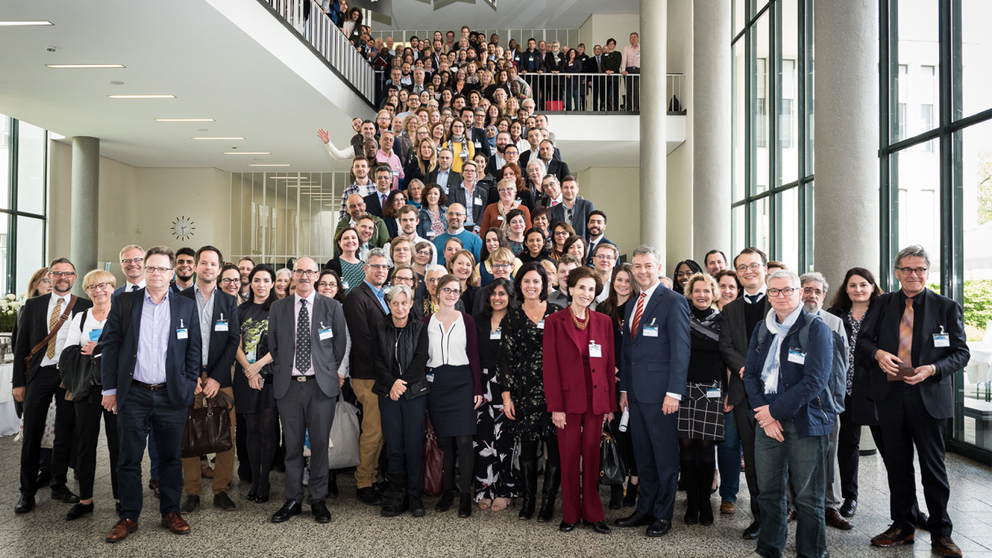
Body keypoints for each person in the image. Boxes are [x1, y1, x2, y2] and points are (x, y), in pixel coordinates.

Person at [858, 245, 970, 557]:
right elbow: (864, 342)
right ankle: (903, 526)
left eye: (920, 269)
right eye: (907, 269)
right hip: (891, 395)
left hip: (929, 395)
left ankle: (941, 532)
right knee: (897, 465)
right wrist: (879, 354)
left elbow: (961, 353)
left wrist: (933, 369)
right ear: (897, 272)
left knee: (933, 468)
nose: (913, 275)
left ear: (927, 272)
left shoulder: (946, 306)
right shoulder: (883, 303)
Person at [101, 246, 200, 542]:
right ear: (144, 271)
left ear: (172, 274)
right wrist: (110, 389)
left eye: (162, 269)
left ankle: (171, 511)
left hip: (171, 396)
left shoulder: (185, 305)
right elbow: (111, 347)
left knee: (170, 457)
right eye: (151, 268)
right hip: (134, 394)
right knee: (129, 458)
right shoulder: (125, 302)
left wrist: (188, 381)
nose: (156, 274)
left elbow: (194, 349)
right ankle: (129, 516)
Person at [742, 269, 835, 558]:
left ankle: (812, 552)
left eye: (787, 290)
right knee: (768, 493)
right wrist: (764, 414)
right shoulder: (762, 328)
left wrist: (772, 413)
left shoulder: (815, 328)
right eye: (774, 291)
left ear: (799, 293)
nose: (781, 296)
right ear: (767, 295)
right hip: (767, 423)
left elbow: (815, 380)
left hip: (805, 422)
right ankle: (769, 548)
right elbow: (750, 375)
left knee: (808, 497)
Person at [615, 245, 691, 538]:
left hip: (662, 397)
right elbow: (627, 351)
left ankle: (662, 514)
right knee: (643, 456)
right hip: (635, 394)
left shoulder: (673, 301)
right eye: (637, 266)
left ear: (658, 267)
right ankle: (644, 509)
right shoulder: (633, 304)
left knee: (664, 458)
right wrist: (624, 390)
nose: (642, 271)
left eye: (648, 265)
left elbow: (681, 351)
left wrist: (674, 392)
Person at [267, 257, 348, 525]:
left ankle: (318, 499)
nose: (304, 276)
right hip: (289, 387)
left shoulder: (332, 306)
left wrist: (325, 371)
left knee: (320, 446)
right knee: (291, 447)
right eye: (299, 271)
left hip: (320, 387)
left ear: (316, 276)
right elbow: (275, 348)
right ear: (293, 275)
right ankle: (292, 499)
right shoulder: (278, 308)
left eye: (309, 271)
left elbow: (339, 347)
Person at [13, 259, 92, 515]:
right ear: (50, 276)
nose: (62, 277)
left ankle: (59, 484)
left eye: (67, 273)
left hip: (68, 376)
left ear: (74, 276)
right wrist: (18, 383)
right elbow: (21, 347)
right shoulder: (33, 305)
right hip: (40, 374)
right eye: (57, 273)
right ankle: (27, 492)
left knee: (65, 432)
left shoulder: (84, 305)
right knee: (32, 434)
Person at [543, 266, 616, 534]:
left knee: (592, 458)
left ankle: (594, 514)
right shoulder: (554, 322)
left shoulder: (603, 322)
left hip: (596, 400)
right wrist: (556, 408)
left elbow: (609, 365)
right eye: (581, 287)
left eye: (591, 289)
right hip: (567, 401)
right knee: (570, 456)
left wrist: (609, 405)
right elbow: (549, 368)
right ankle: (571, 514)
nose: (586, 293)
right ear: (570, 288)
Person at [175, 246, 240, 513]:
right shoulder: (179, 298)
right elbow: (174, 342)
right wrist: (190, 378)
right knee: (189, 435)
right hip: (189, 379)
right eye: (204, 263)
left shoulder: (228, 301)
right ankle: (192, 492)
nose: (208, 268)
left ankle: (221, 489)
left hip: (219, 378)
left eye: (213, 264)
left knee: (226, 434)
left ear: (220, 268)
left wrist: (215, 377)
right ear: (196, 267)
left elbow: (233, 339)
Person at [500, 262, 562, 522]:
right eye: (526, 281)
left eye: (536, 281)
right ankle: (528, 502)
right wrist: (506, 396)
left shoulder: (558, 313)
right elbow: (506, 358)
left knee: (554, 448)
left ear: (544, 284)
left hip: (555, 392)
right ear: (519, 285)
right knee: (526, 449)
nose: (531, 286)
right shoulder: (512, 317)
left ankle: (547, 503)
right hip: (523, 392)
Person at [718, 247, 770, 540]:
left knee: (777, 462)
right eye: (742, 267)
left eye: (753, 266)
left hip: (776, 396)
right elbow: (725, 346)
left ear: (764, 267)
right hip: (743, 395)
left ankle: (779, 515)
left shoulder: (780, 302)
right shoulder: (731, 309)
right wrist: (746, 369)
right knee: (750, 462)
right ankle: (759, 519)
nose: (748, 271)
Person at [59, 270, 119, 521]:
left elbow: (128, 347)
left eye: (103, 285)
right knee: (85, 445)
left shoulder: (120, 315)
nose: (98, 290)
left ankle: (120, 498)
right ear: (87, 291)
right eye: (92, 287)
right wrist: (101, 350)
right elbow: (68, 352)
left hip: (115, 391)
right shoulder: (81, 317)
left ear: (112, 287)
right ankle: (85, 500)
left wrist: (99, 347)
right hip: (86, 390)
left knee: (119, 446)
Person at [423, 274, 483, 518]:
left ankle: (465, 496)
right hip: (437, 384)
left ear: (460, 294)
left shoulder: (467, 320)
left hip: (463, 383)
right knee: (445, 443)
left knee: (465, 441)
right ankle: (448, 491)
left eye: (455, 291)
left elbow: (475, 355)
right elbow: (421, 356)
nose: (451, 294)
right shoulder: (426, 320)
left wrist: (478, 388)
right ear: (437, 291)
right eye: (446, 290)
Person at [826, 267, 883, 523]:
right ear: (845, 289)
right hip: (844, 391)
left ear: (873, 286)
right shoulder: (835, 315)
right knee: (848, 446)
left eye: (863, 284)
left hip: (876, 391)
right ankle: (850, 497)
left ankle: (908, 506)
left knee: (891, 447)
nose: (858, 289)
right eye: (852, 285)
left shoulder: (884, 314)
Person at [798, 272, 852, 531]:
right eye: (807, 289)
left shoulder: (834, 322)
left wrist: (836, 400)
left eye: (817, 291)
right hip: (794, 401)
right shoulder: (789, 319)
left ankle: (830, 505)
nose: (812, 295)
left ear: (824, 295)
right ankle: (790, 504)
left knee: (829, 453)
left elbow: (843, 364)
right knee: (791, 454)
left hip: (826, 402)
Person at [372, 283, 431, 518]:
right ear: (389, 304)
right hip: (388, 395)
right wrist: (392, 384)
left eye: (404, 303)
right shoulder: (379, 327)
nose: (399, 307)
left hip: (414, 394)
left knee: (413, 447)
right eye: (395, 303)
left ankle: (414, 496)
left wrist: (401, 383)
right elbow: (376, 361)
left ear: (410, 305)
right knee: (394, 447)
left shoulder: (420, 328)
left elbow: (420, 360)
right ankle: (396, 495)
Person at [343, 248, 392, 506]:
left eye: (384, 267)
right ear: (365, 268)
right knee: (373, 431)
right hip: (367, 375)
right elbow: (363, 341)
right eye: (375, 266)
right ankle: (363, 482)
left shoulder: (385, 295)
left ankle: (372, 476)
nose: (380, 270)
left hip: (382, 375)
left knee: (380, 431)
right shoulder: (356, 297)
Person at [677, 273, 725, 527]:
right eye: (697, 291)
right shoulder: (681, 317)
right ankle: (692, 501)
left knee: (706, 448)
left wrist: (727, 392)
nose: (702, 295)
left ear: (714, 293)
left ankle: (705, 501)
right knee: (685, 448)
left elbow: (727, 357)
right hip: (683, 388)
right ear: (690, 293)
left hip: (711, 389)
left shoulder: (723, 320)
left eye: (707, 291)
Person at [233, 264, 278, 503]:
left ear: (272, 283)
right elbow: (235, 344)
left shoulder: (279, 309)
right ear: (250, 283)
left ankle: (265, 481)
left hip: (269, 376)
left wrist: (258, 368)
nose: (261, 285)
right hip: (245, 375)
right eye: (256, 280)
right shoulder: (241, 310)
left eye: (266, 280)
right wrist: (249, 371)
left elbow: (281, 345)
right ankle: (254, 477)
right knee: (250, 429)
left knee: (267, 428)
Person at [597, 263, 641, 509]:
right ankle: (616, 486)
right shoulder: (604, 309)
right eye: (619, 280)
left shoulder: (640, 308)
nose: (623, 285)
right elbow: (598, 344)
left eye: (627, 280)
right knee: (614, 434)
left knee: (635, 435)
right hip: (611, 381)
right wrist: (610, 369)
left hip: (635, 381)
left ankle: (633, 484)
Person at [472, 278, 517, 512]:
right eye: (493, 293)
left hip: (507, 387)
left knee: (505, 442)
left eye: (502, 293)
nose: (497, 298)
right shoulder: (478, 321)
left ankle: (505, 490)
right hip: (483, 388)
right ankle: (484, 489)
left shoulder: (516, 321)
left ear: (510, 296)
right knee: (483, 441)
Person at [714, 268, 744, 516]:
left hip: (733, 388)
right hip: (707, 388)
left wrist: (731, 391)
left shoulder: (742, 317)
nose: (726, 291)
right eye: (721, 286)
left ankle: (729, 495)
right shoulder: (710, 316)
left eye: (731, 287)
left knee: (729, 444)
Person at [326, 227, 365, 295]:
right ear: (339, 243)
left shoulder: (365, 266)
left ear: (358, 242)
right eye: (346, 238)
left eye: (353, 238)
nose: (350, 241)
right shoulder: (332, 264)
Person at [446, 249, 480, 313]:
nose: (464, 267)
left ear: (472, 269)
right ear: (451, 265)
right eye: (460, 263)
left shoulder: (477, 293)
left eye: (468, 265)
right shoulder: (443, 292)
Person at [621, 32, 640, 111]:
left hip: (638, 69)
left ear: (637, 38)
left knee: (636, 88)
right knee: (629, 89)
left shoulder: (641, 48)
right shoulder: (627, 48)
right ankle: (629, 107)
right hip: (629, 70)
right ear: (629, 39)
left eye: (634, 37)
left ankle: (636, 106)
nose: (633, 39)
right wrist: (623, 70)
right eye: (631, 37)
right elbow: (624, 59)